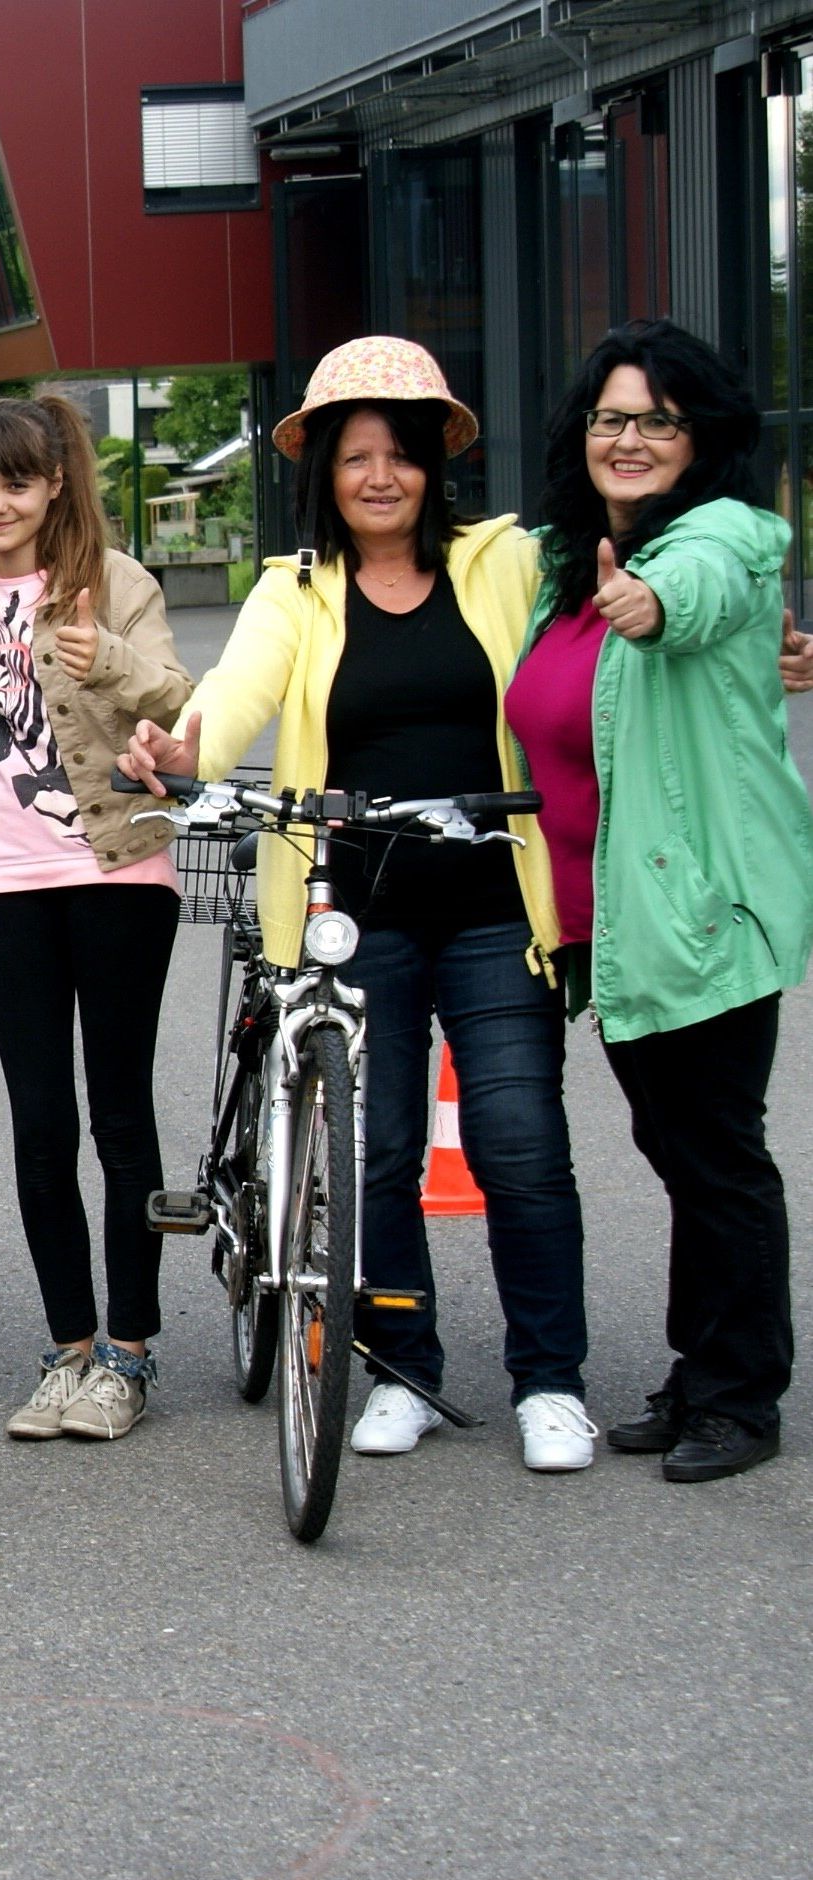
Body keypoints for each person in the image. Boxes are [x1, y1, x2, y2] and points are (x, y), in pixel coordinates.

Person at [123, 336, 592, 1473]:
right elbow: (236, 688)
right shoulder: (295, 588)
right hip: (353, 906)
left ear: (436, 466)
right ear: (322, 473)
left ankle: (550, 1380)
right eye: (354, 458)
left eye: (401, 455)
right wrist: (183, 742)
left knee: (520, 1144)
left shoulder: (504, 560)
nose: (379, 477)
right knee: (371, 1154)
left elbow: (595, 636)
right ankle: (401, 1366)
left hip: (492, 900)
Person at [505, 319, 813, 1482]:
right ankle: (702, 1373)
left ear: (701, 436)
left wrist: (649, 602)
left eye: (656, 420)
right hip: (610, 920)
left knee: (718, 1152)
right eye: (609, 417)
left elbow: (700, 587)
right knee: (682, 1148)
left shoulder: (718, 539)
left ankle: (741, 1396)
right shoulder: (565, 562)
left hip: (699, 911)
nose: (627, 438)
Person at [0, 394, 192, 1442]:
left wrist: (108, 662)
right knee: (39, 1127)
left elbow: (177, 701)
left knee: (117, 1116)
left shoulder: (113, 582)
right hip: (10, 880)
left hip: (118, 868)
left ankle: (128, 1352)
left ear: (53, 485)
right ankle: (68, 1348)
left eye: (15, 481)